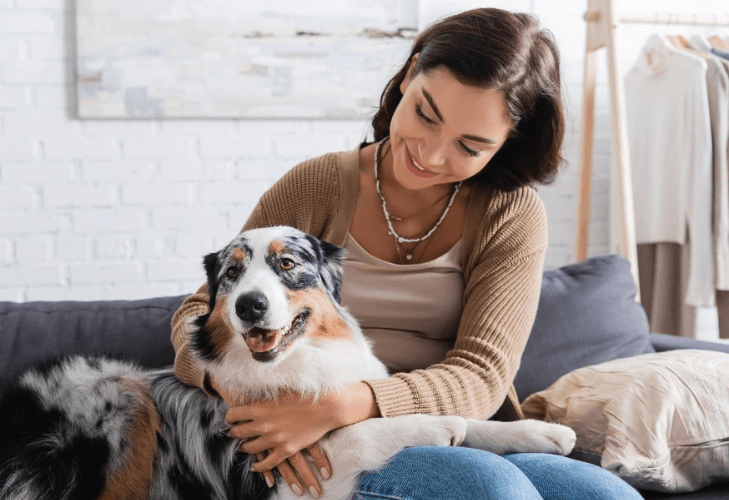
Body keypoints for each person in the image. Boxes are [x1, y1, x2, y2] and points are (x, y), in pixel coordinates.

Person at [170, 7, 644, 500]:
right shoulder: (314, 186)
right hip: (334, 444)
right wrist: (234, 389)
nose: (430, 155)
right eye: (424, 114)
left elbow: (482, 375)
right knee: (492, 491)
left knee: (609, 496)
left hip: (456, 427)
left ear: (507, 143)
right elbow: (198, 313)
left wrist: (341, 404)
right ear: (410, 71)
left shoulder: (512, 214)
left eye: (470, 145)